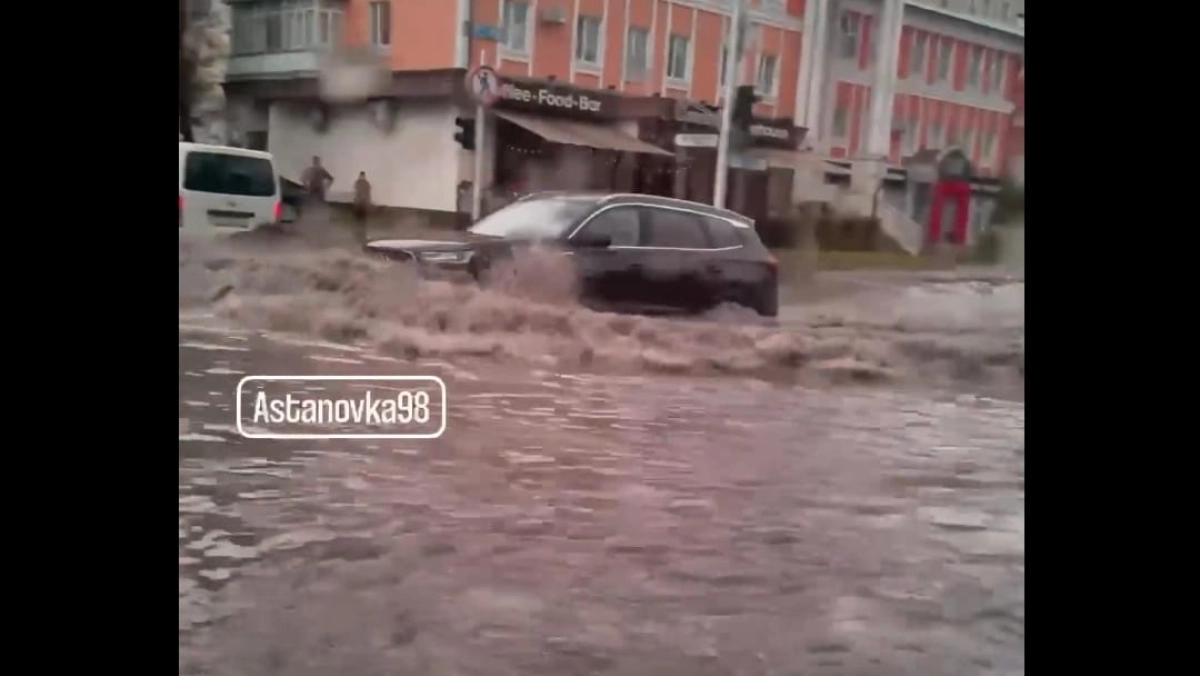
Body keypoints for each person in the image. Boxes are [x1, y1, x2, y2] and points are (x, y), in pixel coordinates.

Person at [352, 171, 372, 244]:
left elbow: (357, 192)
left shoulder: (358, 183)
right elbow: (367, 194)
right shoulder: (366, 183)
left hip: (360, 204)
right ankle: (360, 234)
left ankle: (359, 234)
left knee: (359, 219)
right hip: (362, 204)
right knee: (362, 220)